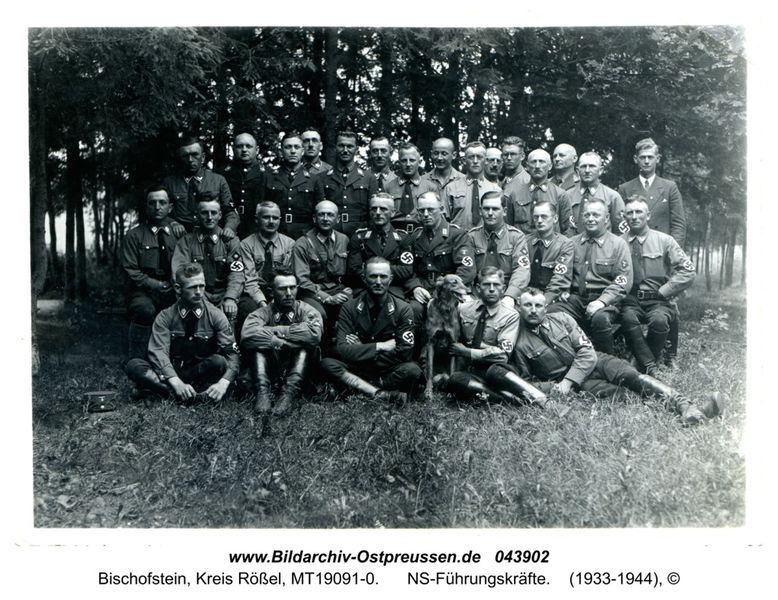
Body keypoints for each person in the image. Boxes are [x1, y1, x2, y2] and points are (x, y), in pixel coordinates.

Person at [512, 288, 715, 425]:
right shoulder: (518, 341)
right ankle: (684, 416)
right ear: (519, 307)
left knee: (631, 375)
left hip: (596, 361)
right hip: (578, 383)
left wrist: (568, 382)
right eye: (528, 305)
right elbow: (527, 381)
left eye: (538, 306)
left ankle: (684, 405)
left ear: (545, 308)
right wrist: (558, 386)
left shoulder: (562, 319)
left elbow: (586, 351)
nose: (533, 311)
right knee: (621, 395)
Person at [124, 262, 239, 404]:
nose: (199, 292)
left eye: (201, 286)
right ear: (178, 288)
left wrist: (223, 383)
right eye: (192, 287)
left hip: (199, 371)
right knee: (134, 365)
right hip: (171, 372)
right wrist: (176, 382)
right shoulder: (165, 317)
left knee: (219, 362)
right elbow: (159, 353)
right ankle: (187, 395)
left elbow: (232, 354)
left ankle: (162, 393)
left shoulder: (216, 315)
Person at [320, 257, 423, 402]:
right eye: (373, 276)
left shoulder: (403, 309)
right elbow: (343, 350)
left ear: (390, 279)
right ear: (364, 278)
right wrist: (380, 346)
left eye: (383, 277)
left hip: (386, 371)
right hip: (358, 369)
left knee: (412, 370)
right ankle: (380, 394)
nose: (378, 282)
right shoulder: (349, 308)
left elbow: (404, 353)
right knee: (327, 364)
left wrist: (361, 348)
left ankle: (359, 389)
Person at [620, 195, 696, 374]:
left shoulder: (665, 240)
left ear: (648, 215)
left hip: (658, 300)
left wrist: (665, 290)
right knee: (627, 318)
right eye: (630, 213)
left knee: (659, 321)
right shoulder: (617, 242)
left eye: (639, 212)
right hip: (629, 300)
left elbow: (688, 270)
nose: (634, 216)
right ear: (624, 216)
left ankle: (643, 363)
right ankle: (649, 367)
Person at [547, 198, 632, 354]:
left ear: (606, 218)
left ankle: (606, 360)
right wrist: (561, 291)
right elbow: (562, 274)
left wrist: (601, 301)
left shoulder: (618, 244)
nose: (590, 219)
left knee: (600, 319)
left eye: (596, 215)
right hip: (576, 299)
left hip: (605, 301)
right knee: (552, 312)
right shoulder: (571, 243)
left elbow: (623, 280)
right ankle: (565, 357)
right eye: (587, 215)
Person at [240, 272, 323, 414]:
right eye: (283, 289)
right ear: (271, 291)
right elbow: (248, 335)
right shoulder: (260, 313)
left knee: (305, 348)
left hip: (301, 369)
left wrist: (276, 331)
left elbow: (314, 335)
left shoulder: (307, 311)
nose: (289, 293)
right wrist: (280, 342)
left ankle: (289, 393)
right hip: (272, 367)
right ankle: (262, 392)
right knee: (258, 347)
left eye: (292, 287)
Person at [121, 186, 184, 358]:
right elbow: (130, 270)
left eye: (162, 203)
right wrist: (156, 284)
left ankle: (177, 359)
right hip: (142, 291)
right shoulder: (134, 235)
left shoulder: (179, 234)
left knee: (185, 310)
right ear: (146, 206)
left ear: (170, 207)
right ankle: (137, 358)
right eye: (152, 203)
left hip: (173, 288)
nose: (157, 207)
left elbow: (187, 265)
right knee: (145, 309)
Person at [405, 191, 477, 325]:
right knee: (412, 310)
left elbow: (467, 270)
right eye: (422, 210)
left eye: (430, 209)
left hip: (449, 291)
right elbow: (407, 269)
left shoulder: (457, 235)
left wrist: (441, 293)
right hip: (423, 290)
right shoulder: (415, 237)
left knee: (448, 311)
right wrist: (415, 287)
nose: (426, 214)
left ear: (442, 209)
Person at [171, 197, 245, 324]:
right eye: (204, 213)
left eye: (213, 213)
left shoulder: (231, 241)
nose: (209, 217)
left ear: (220, 215)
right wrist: (201, 300)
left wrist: (230, 298)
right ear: (197, 215)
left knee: (228, 321)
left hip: (223, 294)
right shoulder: (186, 242)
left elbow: (236, 273)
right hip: (196, 295)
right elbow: (179, 273)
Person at [292, 200, 352, 332]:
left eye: (330, 215)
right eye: (321, 214)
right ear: (314, 218)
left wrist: (348, 289)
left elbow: (350, 270)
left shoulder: (344, 240)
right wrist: (327, 298)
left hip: (338, 289)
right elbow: (301, 280)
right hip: (311, 293)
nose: (325, 218)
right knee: (319, 315)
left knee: (353, 309)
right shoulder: (302, 244)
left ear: (338, 219)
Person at [237, 201, 296, 331]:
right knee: (248, 309)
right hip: (256, 291)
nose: (271, 222)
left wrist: (278, 299)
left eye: (275, 218)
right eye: (266, 217)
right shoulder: (246, 245)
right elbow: (250, 280)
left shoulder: (289, 244)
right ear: (256, 219)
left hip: (281, 290)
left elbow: (288, 277)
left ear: (280, 220)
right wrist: (262, 303)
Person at [163, 136, 238, 236]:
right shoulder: (169, 183)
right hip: (180, 237)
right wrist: (172, 222)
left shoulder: (218, 181)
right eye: (185, 156)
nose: (190, 160)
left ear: (202, 157)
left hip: (211, 236)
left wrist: (229, 227)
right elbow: (160, 211)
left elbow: (230, 212)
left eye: (195, 155)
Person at [617, 137, 686, 247]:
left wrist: (672, 251)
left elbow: (678, 225)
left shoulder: (670, 188)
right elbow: (620, 225)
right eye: (642, 157)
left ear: (657, 159)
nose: (646, 161)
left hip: (661, 248)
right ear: (635, 159)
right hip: (634, 248)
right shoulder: (625, 189)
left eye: (650, 157)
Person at [467, 191, 531, 309]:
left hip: (505, 294)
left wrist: (510, 296)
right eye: (486, 209)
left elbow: (522, 270)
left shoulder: (516, 237)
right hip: (477, 295)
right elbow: (467, 269)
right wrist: (468, 293)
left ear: (505, 211)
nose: (490, 213)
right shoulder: (471, 237)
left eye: (495, 209)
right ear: (480, 211)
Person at [346, 193, 415, 297]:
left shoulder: (403, 238)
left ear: (393, 213)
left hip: (394, 290)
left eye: (383, 209)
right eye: (374, 209)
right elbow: (354, 270)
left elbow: (406, 270)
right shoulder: (359, 237)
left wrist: (371, 270)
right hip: (365, 290)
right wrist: (390, 270)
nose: (378, 213)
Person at [315, 130, 378, 237]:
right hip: (331, 232)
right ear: (335, 148)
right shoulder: (322, 178)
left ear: (356, 149)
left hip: (360, 233)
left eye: (350, 146)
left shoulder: (369, 178)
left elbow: (373, 211)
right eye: (341, 146)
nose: (345, 150)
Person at [263, 132, 319, 239]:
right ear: (281, 151)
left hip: (305, 235)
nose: (293, 151)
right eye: (288, 147)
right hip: (276, 233)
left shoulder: (314, 179)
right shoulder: (269, 177)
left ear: (302, 151)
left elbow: (318, 212)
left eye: (296, 147)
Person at [504, 148, 570, 235]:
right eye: (533, 162)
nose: (537, 166)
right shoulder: (515, 194)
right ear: (527, 166)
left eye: (542, 162)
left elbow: (568, 230)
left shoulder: (560, 195)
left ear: (550, 166)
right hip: (522, 242)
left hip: (550, 243)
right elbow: (508, 227)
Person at [560, 152, 627, 237]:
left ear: (601, 170)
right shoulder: (566, 196)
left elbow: (621, 232)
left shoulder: (612, 197)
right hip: (572, 244)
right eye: (583, 166)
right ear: (577, 171)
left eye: (592, 166)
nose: (587, 170)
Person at [525, 200, 575, 305]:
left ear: (555, 218)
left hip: (549, 298)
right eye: (536, 217)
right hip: (525, 296)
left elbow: (560, 280)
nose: (539, 221)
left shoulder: (564, 245)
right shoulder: (524, 241)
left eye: (544, 217)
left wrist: (543, 302)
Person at [444, 141, 502, 230]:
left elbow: (500, 221)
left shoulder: (495, 190)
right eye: (471, 157)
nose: (475, 161)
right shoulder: (451, 188)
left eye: (479, 157)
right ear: (464, 161)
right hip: (458, 237)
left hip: (485, 237)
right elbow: (443, 220)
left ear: (486, 161)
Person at [384, 143, 438, 232]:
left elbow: (437, 217)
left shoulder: (431, 188)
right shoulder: (388, 187)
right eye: (404, 160)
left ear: (419, 162)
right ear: (399, 162)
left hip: (422, 233)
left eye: (412, 160)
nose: (408, 164)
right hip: (395, 233)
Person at [220, 132, 264, 239]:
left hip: (255, 227)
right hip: (227, 226)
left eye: (248, 146)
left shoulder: (266, 174)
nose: (244, 150)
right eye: (239, 146)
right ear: (233, 149)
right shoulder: (224, 174)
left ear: (257, 150)